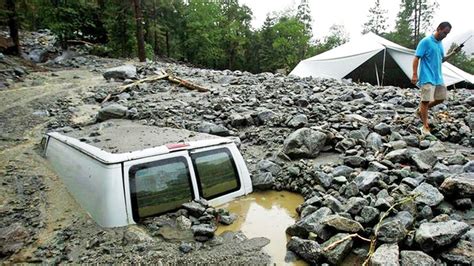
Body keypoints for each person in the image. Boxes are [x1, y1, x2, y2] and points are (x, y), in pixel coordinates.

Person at [411, 21, 462, 136]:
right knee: (425, 100)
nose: (445, 36)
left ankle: (421, 111)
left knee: (441, 98)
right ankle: (425, 126)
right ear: (438, 29)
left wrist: (453, 52)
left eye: (447, 34)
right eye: (444, 33)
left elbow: (442, 59)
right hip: (426, 76)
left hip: (438, 77)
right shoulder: (426, 42)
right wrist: (414, 74)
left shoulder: (440, 44)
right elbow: (416, 58)